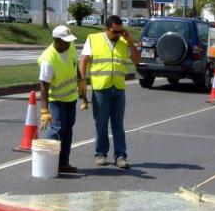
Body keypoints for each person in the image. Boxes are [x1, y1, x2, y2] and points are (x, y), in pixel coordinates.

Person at [79, 14, 141, 169]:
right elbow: (84, 60)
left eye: (121, 31)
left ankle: (120, 156)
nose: (118, 34)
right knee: (101, 124)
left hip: (118, 89)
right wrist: (82, 82)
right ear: (107, 29)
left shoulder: (123, 42)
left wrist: (130, 42)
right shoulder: (93, 39)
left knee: (118, 124)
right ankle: (100, 153)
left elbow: (137, 60)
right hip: (101, 88)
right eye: (115, 31)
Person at [38, 25, 84, 174]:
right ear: (56, 40)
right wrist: (45, 110)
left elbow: (74, 65)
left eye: (70, 41)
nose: (69, 44)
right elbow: (44, 86)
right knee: (57, 130)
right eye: (65, 41)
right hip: (56, 100)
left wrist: (81, 83)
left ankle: (63, 163)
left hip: (71, 98)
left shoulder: (69, 48)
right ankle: (50, 164)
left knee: (68, 130)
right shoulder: (48, 58)